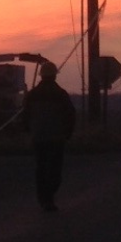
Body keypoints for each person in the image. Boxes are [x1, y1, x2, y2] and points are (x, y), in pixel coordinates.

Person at [21, 62, 75, 211]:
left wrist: (27, 131)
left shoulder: (32, 95)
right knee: (54, 169)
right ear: (54, 75)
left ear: (42, 75)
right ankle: (48, 197)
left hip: (39, 137)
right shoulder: (61, 94)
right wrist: (68, 133)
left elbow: (25, 115)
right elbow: (71, 115)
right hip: (57, 138)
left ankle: (44, 199)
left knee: (42, 168)